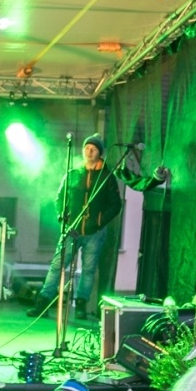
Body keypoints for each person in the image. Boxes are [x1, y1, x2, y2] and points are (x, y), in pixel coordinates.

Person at [26, 134, 166, 321]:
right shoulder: (73, 174)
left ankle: (82, 304)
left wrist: (99, 221)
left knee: (89, 270)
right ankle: (42, 302)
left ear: (100, 152)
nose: (89, 151)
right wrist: (63, 218)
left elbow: (116, 205)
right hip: (70, 230)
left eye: (93, 148)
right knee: (57, 267)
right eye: (86, 148)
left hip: (95, 233)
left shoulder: (107, 177)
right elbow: (60, 198)